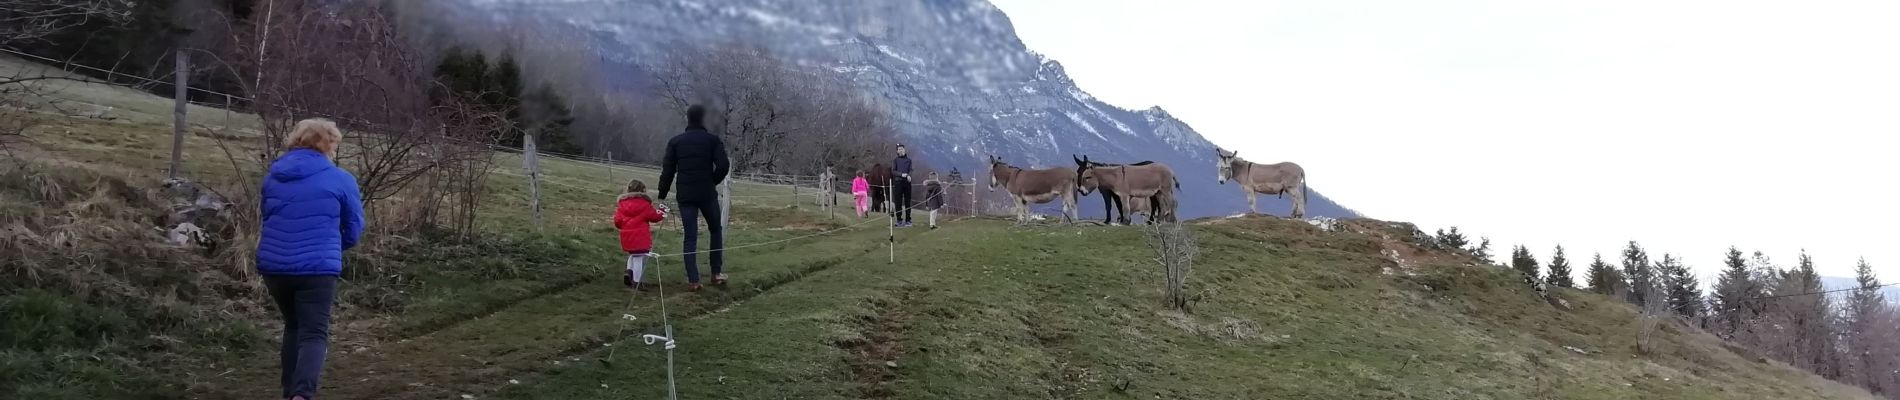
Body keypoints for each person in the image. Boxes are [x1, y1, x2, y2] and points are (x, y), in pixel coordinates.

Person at [256, 118, 364, 400]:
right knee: (314, 333)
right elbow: (353, 228)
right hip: (316, 268)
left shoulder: (273, 176)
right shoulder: (341, 179)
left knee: (293, 326)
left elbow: (267, 216)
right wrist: (330, 247)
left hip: (274, 266)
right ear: (328, 145)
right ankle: (302, 395)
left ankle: (289, 391)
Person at [657, 104, 731, 292]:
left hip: (686, 194)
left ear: (687, 119)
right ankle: (716, 273)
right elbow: (723, 165)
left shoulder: (676, 142)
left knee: (690, 236)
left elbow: (668, 171)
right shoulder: (712, 140)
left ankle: (694, 280)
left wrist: (662, 194)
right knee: (715, 230)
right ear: (703, 119)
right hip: (706, 193)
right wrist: (711, 181)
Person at [614, 179, 668, 290]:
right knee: (639, 258)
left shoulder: (622, 204)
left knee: (633, 255)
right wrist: (663, 211)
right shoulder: (644, 204)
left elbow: (617, 221)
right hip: (640, 237)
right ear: (643, 191)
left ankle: (629, 272)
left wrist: (625, 227)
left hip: (626, 236)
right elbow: (654, 217)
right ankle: (637, 282)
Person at [891, 144, 915, 227]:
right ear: (897, 151)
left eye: (902, 149)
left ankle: (908, 220)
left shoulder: (909, 160)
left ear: (904, 150)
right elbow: (893, 171)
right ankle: (899, 220)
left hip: (907, 183)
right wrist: (901, 174)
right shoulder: (895, 160)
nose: (901, 150)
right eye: (899, 149)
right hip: (898, 183)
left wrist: (909, 175)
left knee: (908, 202)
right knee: (898, 202)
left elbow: (911, 170)